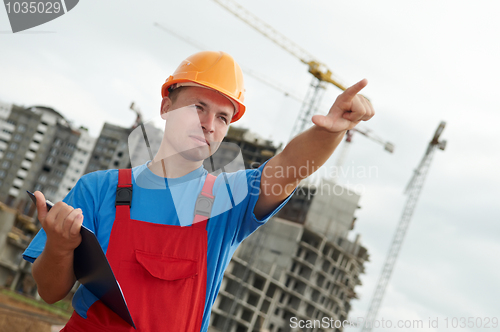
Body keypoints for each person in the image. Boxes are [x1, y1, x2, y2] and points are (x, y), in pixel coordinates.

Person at [23, 51, 374, 331]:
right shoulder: (101, 189)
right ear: (166, 107)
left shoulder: (230, 198)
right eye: (198, 108)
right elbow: (50, 292)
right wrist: (59, 247)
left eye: (222, 117)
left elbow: (288, 167)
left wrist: (330, 132)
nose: (209, 125)